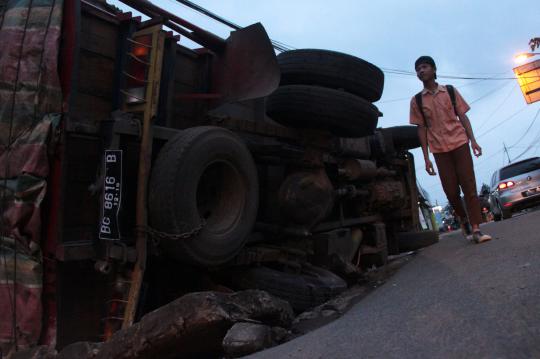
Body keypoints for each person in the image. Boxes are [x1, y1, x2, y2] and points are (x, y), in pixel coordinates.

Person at [410, 56, 491, 244]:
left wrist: (473, 141)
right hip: (439, 150)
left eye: (424, 67)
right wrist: (426, 158)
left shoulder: (450, 91)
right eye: (418, 69)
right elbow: (421, 129)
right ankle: (464, 219)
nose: (421, 71)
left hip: (460, 143)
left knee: (469, 186)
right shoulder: (417, 101)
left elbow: (462, 116)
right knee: (451, 191)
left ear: (433, 69)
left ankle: (477, 228)